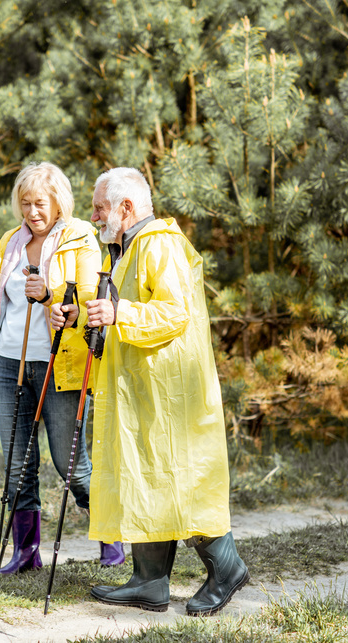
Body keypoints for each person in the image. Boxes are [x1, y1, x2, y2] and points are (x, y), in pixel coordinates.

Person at [50, 167, 248, 615]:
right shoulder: (125, 248)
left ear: (126, 206)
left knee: (181, 480)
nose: (94, 215)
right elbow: (116, 315)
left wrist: (117, 313)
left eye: (100, 207)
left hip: (169, 390)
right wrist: (80, 317)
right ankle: (149, 582)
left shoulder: (160, 242)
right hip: (138, 388)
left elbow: (174, 312)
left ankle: (228, 569)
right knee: (144, 478)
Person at [0, 161, 124, 574]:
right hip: (7, 363)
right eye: (25, 203)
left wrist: (51, 296)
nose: (32, 212)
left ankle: (113, 541)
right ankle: (25, 552)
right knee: (18, 463)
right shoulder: (11, 242)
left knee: (71, 465)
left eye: (41, 203)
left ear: (58, 204)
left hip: (58, 365)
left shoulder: (81, 238)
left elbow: (89, 300)